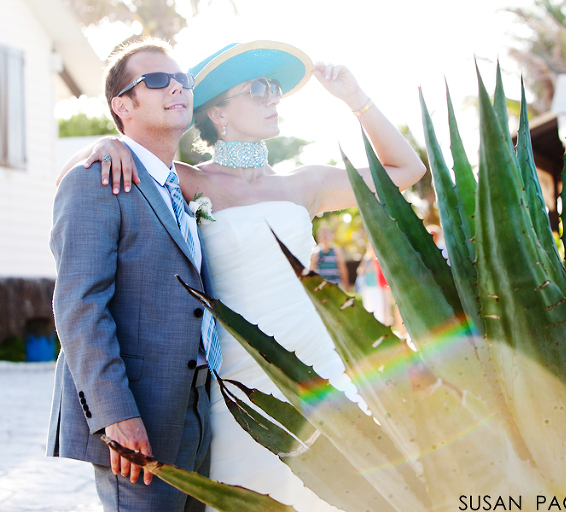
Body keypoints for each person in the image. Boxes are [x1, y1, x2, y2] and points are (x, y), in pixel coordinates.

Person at [63, 40, 426, 512]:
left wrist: (357, 99)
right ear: (219, 115)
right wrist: (109, 142)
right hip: (238, 379)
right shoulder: (187, 180)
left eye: (275, 89)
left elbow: (408, 169)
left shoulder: (306, 183)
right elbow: (81, 187)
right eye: (258, 90)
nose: (273, 98)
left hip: (321, 366)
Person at [48, 38, 216, 512]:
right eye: (158, 80)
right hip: (136, 415)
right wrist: (115, 415)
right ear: (123, 104)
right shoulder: (97, 176)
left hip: (196, 409)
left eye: (183, 79)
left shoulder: (180, 187)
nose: (177, 88)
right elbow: (79, 308)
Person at [310, 226, 350, 291]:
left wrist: (346, 286)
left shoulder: (336, 251)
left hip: (335, 285)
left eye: (327, 235)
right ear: (318, 238)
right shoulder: (316, 252)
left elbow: (343, 268)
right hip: (322, 286)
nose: (325, 238)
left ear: (331, 237)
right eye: (323, 236)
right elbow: (312, 270)